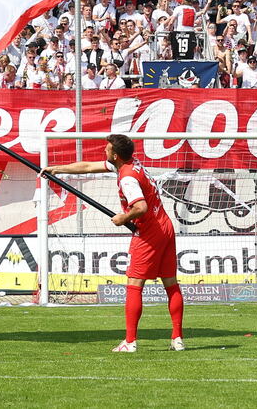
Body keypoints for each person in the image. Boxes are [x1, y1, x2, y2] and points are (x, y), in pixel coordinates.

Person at [42, 134, 183, 353]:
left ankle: (130, 341)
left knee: (134, 285)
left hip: (149, 231)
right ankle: (177, 338)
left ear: (115, 155)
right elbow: (89, 167)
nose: (104, 152)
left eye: (107, 149)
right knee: (170, 284)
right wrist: (58, 169)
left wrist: (123, 218)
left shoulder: (127, 177)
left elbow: (141, 207)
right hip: (165, 226)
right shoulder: (130, 163)